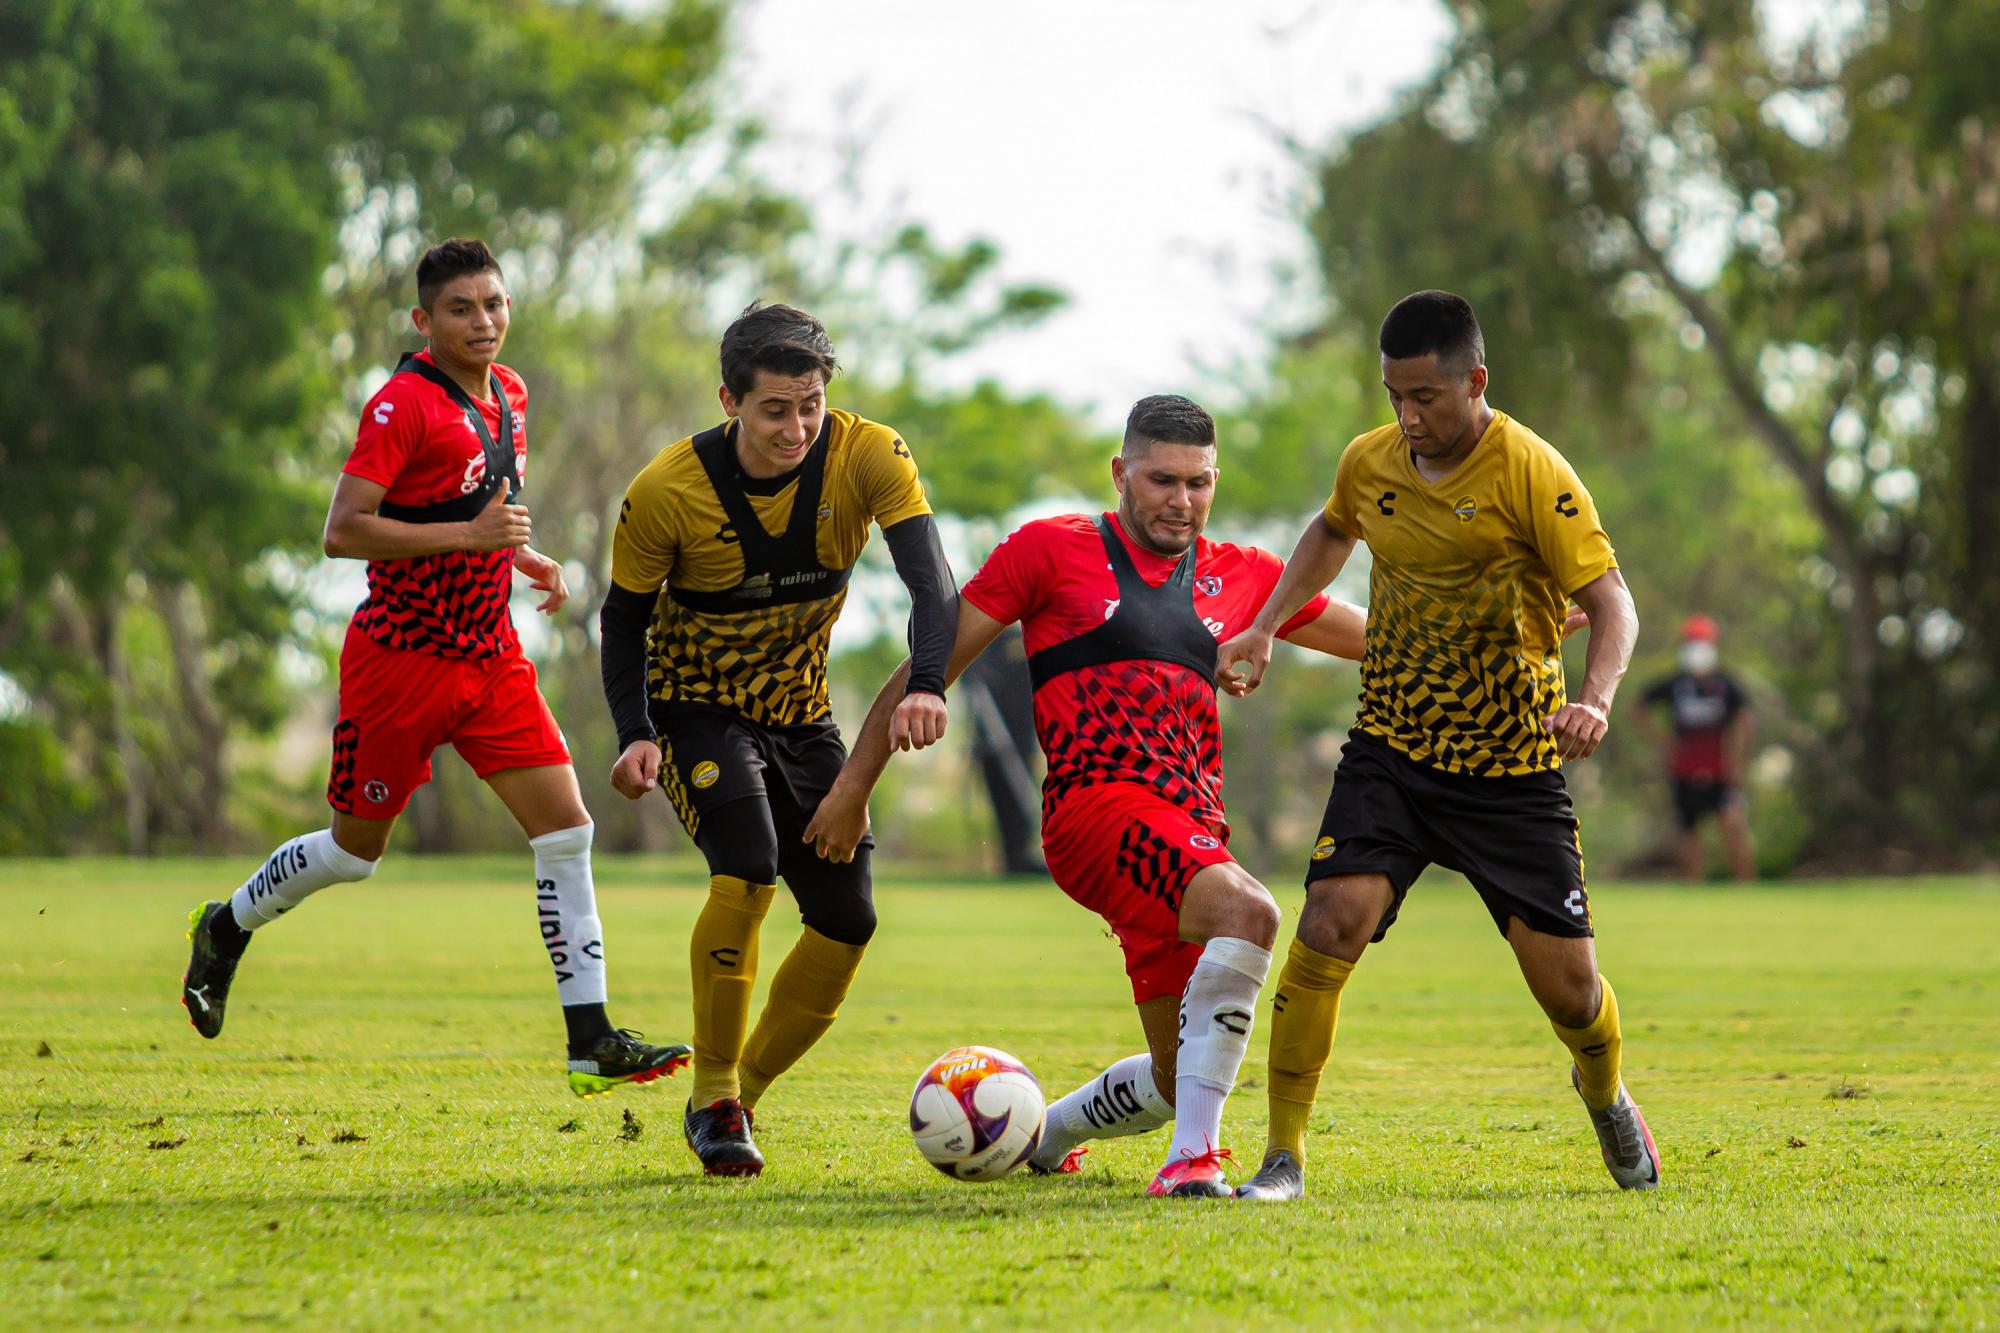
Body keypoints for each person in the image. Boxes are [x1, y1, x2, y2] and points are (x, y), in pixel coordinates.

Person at [805, 394, 1370, 1199]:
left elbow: (1376, 637)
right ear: (1121, 473)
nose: (1181, 500)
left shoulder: (1243, 575)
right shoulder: (1048, 551)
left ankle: (1047, 1132)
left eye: (1199, 483)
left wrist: (1496, 630)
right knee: (1253, 913)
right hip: (1094, 813)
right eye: (1162, 479)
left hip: (1187, 831)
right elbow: (933, 660)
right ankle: (1193, 1162)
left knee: (1181, 1079)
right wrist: (853, 785)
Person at [180, 238, 688, 1098]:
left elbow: (483, 504)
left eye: (494, 303)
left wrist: (528, 560)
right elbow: (343, 530)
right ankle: (226, 925)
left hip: (491, 657)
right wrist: (470, 539)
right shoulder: (400, 406)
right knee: (354, 854)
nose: (482, 321)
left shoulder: (512, 395)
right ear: (424, 320)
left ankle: (591, 1037)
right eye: (461, 309)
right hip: (399, 664)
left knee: (567, 830)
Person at [1217, 289, 1660, 1200]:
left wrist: (1596, 699)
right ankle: (1283, 1156)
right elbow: (1332, 528)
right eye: (1394, 396)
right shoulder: (1371, 460)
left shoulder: (1532, 471)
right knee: (1329, 923)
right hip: (1395, 748)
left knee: (1572, 994)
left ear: (1476, 381)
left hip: (1511, 767)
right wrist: (1265, 626)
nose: (1408, 417)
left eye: (1426, 396)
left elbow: (1614, 604)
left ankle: (1607, 1092)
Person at [598, 303, 957, 1177]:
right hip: (693, 708)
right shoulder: (666, 490)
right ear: (730, 400)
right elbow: (620, 622)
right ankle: (713, 1090)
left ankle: (740, 1097)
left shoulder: (870, 454)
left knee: (848, 916)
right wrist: (636, 733)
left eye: (812, 405)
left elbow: (935, 585)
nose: (798, 427)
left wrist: (927, 681)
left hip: (801, 715)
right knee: (750, 864)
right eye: (774, 410)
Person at [1640, 615, 1755, 881]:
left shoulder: (1726, 685)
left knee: (1732, 823)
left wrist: (1736, 759)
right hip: (1683, 769)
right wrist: (1661, 742)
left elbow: (1745, 718)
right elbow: (1640, 705)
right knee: (1688, 830)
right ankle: (1695, 886)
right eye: (1692, 642)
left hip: (1721, 770)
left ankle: (1747, 886)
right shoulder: (1675, 685)